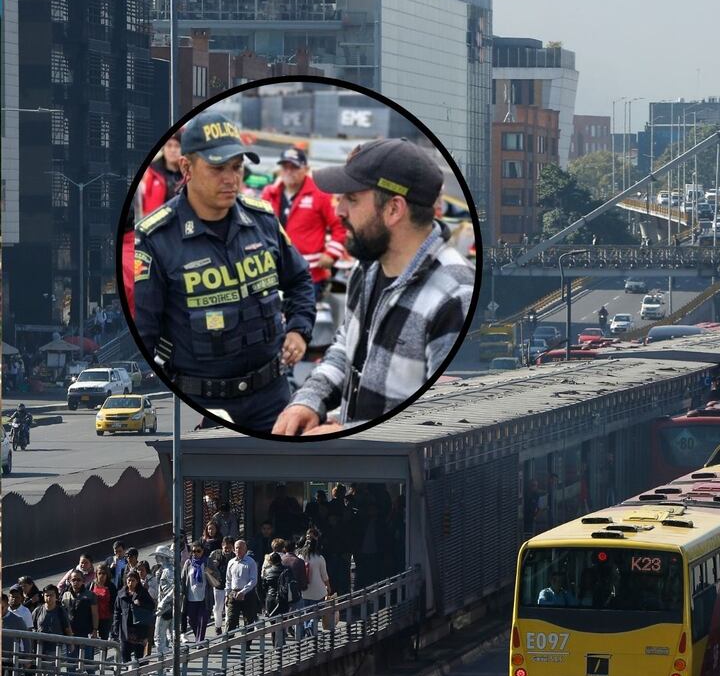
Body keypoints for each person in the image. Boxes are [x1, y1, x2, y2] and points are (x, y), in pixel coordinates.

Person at [272, 138, 474, 435]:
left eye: (351, 199)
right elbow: (345, 349)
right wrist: (308, 399)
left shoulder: (455, 296)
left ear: (394, 209)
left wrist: (349, 435)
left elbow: (446, 420)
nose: (339, 211)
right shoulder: (365, 268)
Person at [130, 111, 316, 433]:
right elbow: (145, 334)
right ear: (187, 168)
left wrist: (299, 329)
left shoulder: (263, 221)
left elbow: (300, 280)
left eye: (237, 167)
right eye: (218, 168)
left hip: (273, 397)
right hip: (201, 404)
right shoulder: (157, 239)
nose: (231, 178)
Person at [261, 147, 347, 301]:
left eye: (294, 167)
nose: (289, 171)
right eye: (285, 167)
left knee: (301, 320)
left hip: (310, 274)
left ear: (306, 169)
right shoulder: (270, 193)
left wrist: (332, 253)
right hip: (273, 272)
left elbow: (339, 225)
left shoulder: (320, 193)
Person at [111, 571, 154, 663]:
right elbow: (116, 611)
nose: (130, 583)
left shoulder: (142, 592)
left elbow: (151, 606)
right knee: (125, 654)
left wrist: (141, 604)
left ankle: (137, 674)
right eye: (129, 580)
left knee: (139, 656)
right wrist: (115, 627)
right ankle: (128, 674)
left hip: (139, 629)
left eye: (133, 580)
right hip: (125, 629)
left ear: (137, 581)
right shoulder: (121, 594)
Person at [180, 542, 219, 642]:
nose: (195, 553)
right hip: (191, 597)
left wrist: (209, 572)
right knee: (192, 620)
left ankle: (199, 642)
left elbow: (217, 576)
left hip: (204, 597)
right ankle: (199, 639)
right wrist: (181, 592)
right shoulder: (188, 563)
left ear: (202, 551)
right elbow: (183, 579)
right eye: (193, 551)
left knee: (203, 620)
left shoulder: (207, 562)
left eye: (198, 551)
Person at [61, 570, 99, 669]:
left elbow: (95, 614)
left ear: (83, 581)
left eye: (79, 580)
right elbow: (63, 615)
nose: (76, 582)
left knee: (88, 663)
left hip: (85, 633)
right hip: (70, 634)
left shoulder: (90, 595)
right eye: (73, 579)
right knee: (71, 664)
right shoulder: (65, 595)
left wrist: (95, 630)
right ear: (69, 580)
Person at [31, 585, 70, 673]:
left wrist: (71, 644)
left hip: (55, 648)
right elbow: (31, 627)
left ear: (56, 596)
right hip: (40, 647)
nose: (49, 597)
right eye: (46, 595)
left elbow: (67, 628)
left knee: (52, 673)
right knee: (40, 673)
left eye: (51, 595)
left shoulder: (60, 611)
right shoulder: (38, 610)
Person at [223, 540, 260, 632]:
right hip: (233, 593)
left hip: (247, 594)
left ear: (245, 549)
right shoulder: (231, 562)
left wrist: (243, 592)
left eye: (241, 548)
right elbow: (228, 579)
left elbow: (253, 580)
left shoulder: (251, 562)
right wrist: (227, 594)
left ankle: (247, 645)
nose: (238, 550)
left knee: (248, 621)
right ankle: (228, 643)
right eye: (236, 548)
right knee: (231, 620)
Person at [207, 535, 236, 635]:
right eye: (225, 547)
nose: (227, 549)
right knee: (218, 608)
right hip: (218, 585)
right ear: (222, 545)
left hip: (231, 587)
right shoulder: (215, 554)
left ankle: (227, 628)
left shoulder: (235, 556)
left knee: (229, 608)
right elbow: (208, 568)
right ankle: (218, 626)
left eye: (229, 547)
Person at [151, 546, 176, 656]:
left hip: (166, 607)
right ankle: (173, 663)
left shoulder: (169, 571)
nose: (156, 558)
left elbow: (175, 589)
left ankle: (163, 664)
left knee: (159, 637)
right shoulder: (164, 570)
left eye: (158, 556)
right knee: (172, 637)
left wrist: (163, 602)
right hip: (170, 606)